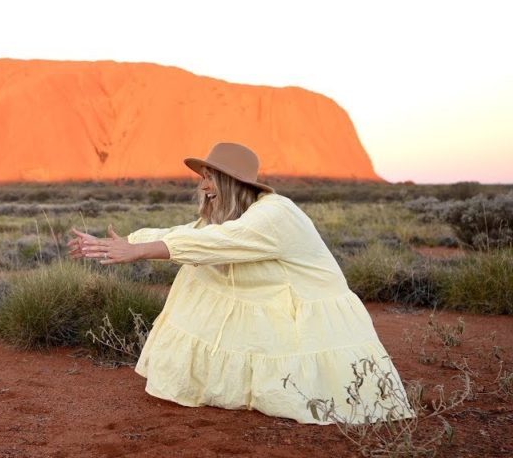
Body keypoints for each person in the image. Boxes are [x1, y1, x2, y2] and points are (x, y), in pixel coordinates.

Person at [68, 142, 414, 425]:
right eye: (203, 178)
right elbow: (190, 235)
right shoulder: (236, 216)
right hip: (280, 310)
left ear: (233, 181)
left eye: (210, 178)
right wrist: (123, 241)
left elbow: (219, 242)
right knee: (196, 263)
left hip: (309, 320)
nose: (203, 187)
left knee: (199, 256)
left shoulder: (277, 213)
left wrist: (139, 251)